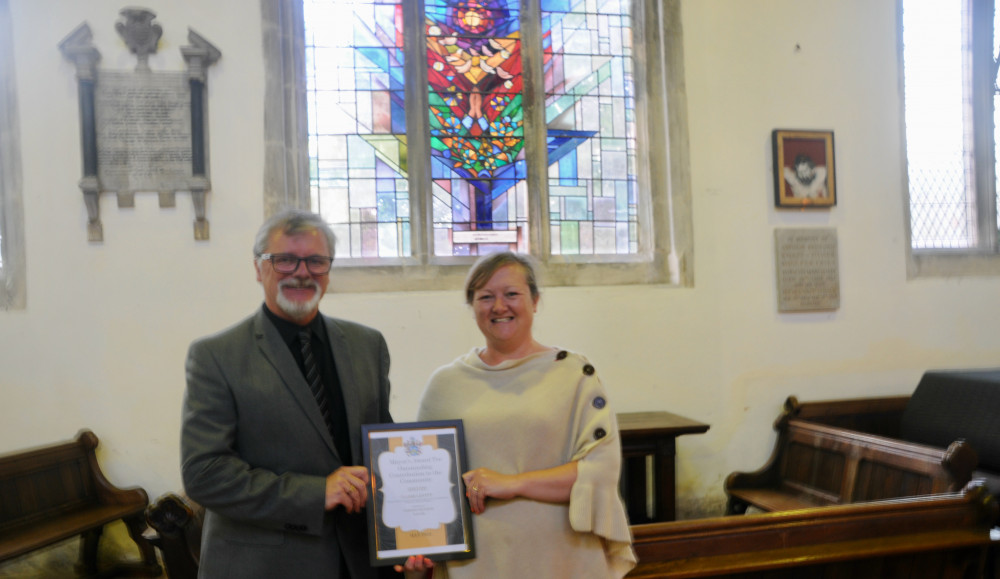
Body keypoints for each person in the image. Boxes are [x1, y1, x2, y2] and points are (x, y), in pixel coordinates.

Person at [181, 209, 394, 578]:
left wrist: (412, 532)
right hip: (264, 564)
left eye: (315, 260)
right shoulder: (216, 356)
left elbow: (380, 450)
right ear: (258, 267)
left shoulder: (367, 345)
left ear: (328, 269)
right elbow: (205, 473)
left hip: (358, 560)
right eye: (284, 260)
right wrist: (316, 493)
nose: (301, 271)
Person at [399, 252, 636, 578]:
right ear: (472, 308)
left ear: (535, 300)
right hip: (477, 563)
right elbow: (423, 484)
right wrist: (416, 546)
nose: (499, 307)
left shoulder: (575, 374)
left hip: (562, 557)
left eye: (511, 294)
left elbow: (601, 472)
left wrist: (511, 484)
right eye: (486, 297)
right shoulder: (445, 384)